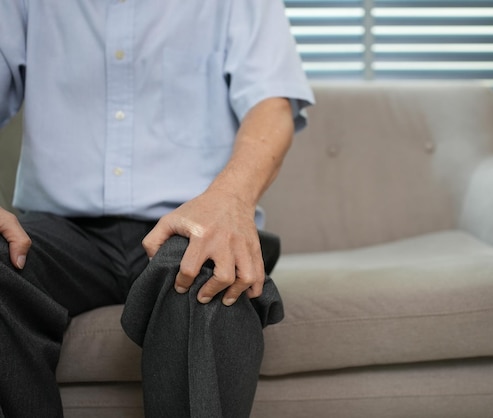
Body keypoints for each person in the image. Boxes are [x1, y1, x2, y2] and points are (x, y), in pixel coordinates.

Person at [0, 0, 314, 417]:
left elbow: (271, 106)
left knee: (208, 279)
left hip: (194, 222)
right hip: (58, 233)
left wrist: (229, 200)